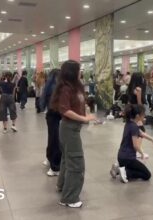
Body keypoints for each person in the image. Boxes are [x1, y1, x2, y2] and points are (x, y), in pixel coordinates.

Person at [50, 60, 96, 208]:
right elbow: (65, 110)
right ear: (72, 72)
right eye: (78, 70)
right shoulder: (65, 88)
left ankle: (62, 186)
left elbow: (79, 104)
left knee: (67, 159)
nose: (80, 72)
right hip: (69, 129)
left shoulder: (75, 87)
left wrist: (87, 113)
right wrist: (83, 118)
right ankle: (69, 198)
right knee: (76, 162)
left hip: (73, 128)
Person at [110, 104, 153, 183]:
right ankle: (125, 172)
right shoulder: (134, 127)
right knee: (147, 175)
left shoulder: (129, 123)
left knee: (136, 168)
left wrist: (152, 140)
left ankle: (119, 168)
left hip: (121, 157)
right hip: (128, 158)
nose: (144, 116)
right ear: (137, 116)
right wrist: (142, 154)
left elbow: (142, 133)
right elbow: (135, 145)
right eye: (143, 115)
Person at [40, 69, 62, 176]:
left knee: (51, 139)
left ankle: (49, 159)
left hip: (50, 116)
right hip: (57, 116)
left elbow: (43, 102)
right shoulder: (57, 88)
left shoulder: (47, 87)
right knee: (56, 142)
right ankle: (55, 167)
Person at [127, 72, 148, 158]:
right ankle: (137, 151)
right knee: (141, 131)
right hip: (137, 113)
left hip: (132, 112)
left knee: (134, 131)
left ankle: (136, 150)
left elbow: (129, 102)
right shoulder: (138, 89)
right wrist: (142, 115)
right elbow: (139, 103)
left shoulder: (131, 88)